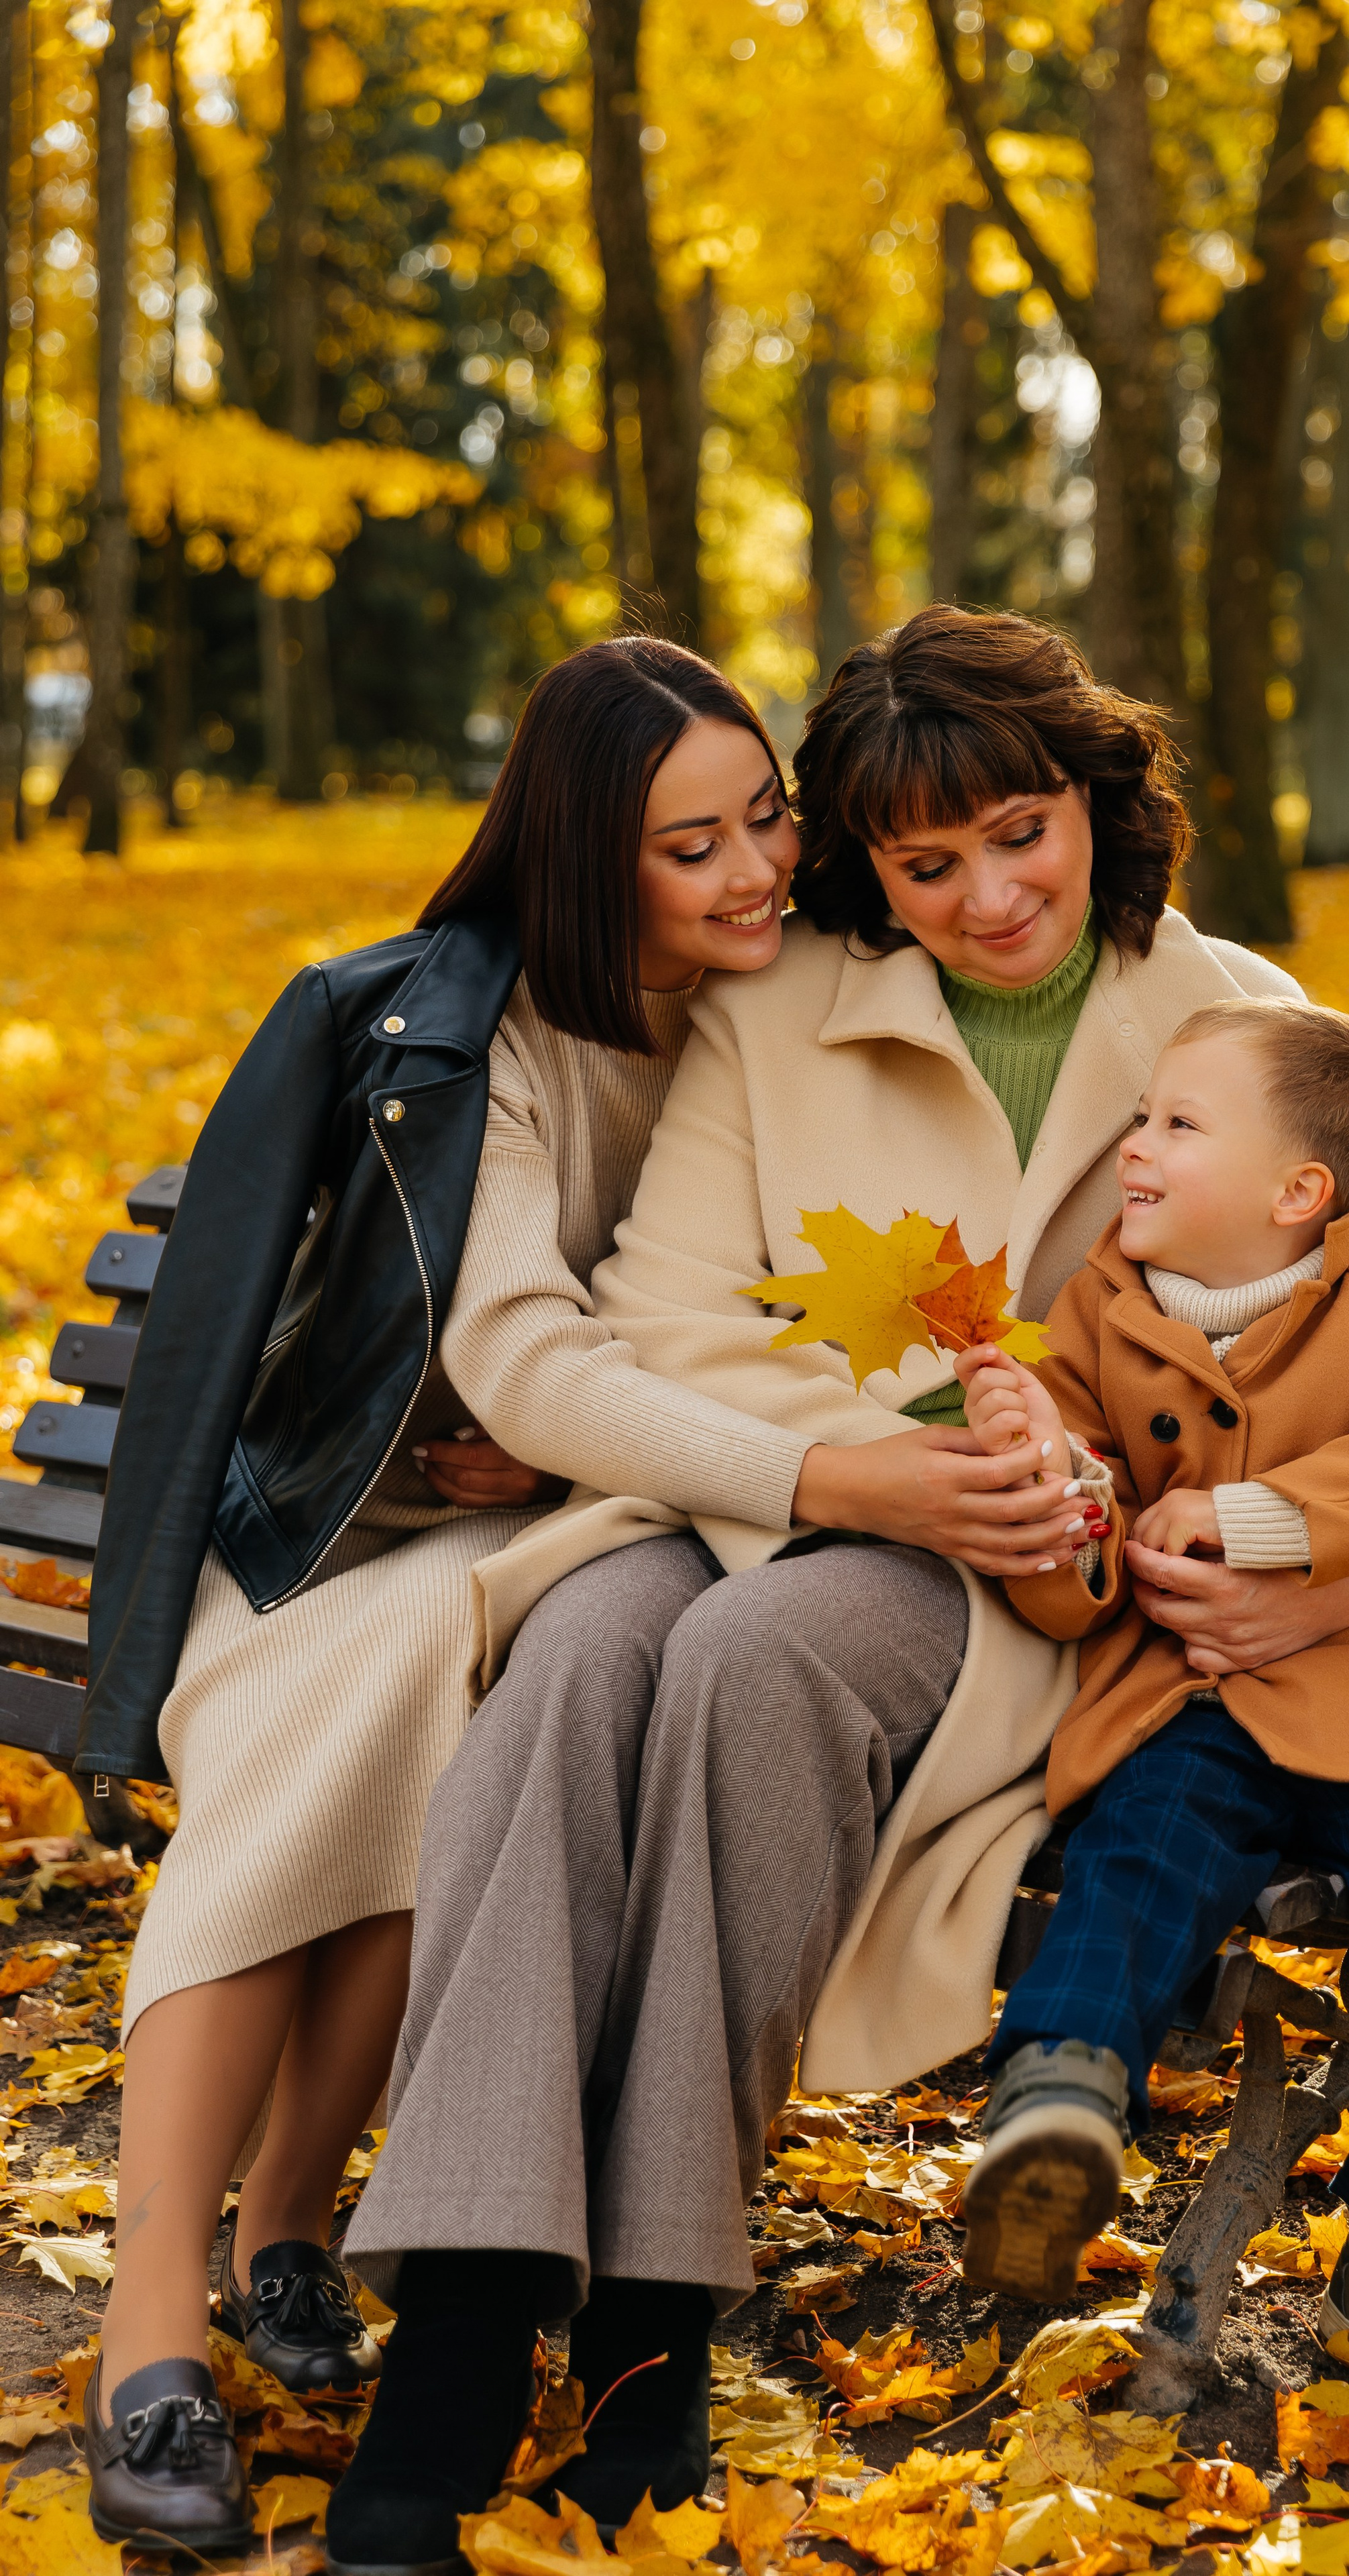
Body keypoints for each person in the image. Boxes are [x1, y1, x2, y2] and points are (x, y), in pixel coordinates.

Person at [330, 607, 1349, 2573]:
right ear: (864, 866)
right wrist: (872, 1463)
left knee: (742, 1663)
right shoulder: (779, 1007)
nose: (988, 897)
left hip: (1048, 1595)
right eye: (926, 863)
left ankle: (652, 2329)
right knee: (570, 1653)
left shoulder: (1221, 1008)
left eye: (1024, 833)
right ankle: (466, 2315)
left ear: (1094, 802)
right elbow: (650, 1326)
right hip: (788, 1505)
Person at [77, 637, 855, 2555]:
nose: (756, 870)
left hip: (556, 1537)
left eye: (767, 816)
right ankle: (151, 2317)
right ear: (593, 864)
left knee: (482, 1676)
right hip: (338, 1540)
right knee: (380, 1687)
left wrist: (584, 1453)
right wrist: (528, 1438)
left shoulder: (807, 1013)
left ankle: (286, 2231)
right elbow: (495, 1348)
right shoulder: (475, 1033)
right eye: (694, 846)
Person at [949, 993, 1349, 2449]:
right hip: (1190, 1692)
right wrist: (1055, 1499)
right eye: (1139, 1114)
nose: (1133, 1144)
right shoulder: (1094, 1317)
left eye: (1173, 1122)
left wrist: (1256, 1517)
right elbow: (1069, 1592)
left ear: (1298, 1191)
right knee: (1138, 1862)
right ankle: (1056, 2108)